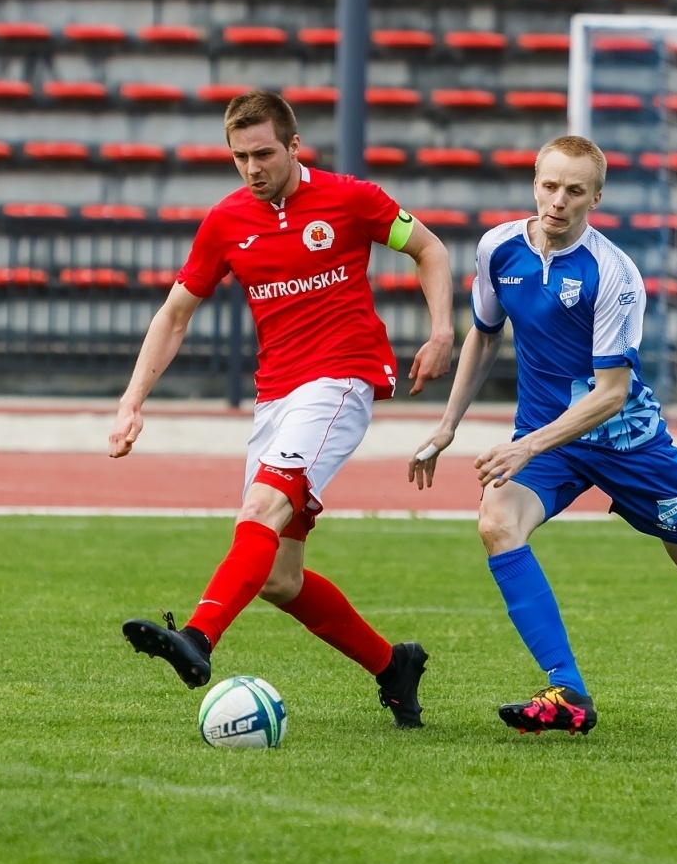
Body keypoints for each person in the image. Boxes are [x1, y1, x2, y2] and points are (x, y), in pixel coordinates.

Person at [409, 134, 677, 735]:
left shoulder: (614, 273)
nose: (558, 200)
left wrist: (527, 443)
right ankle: (569, 691)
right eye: (549, 185)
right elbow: (484, 331)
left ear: (596, 197)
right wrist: (447, 425)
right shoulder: (498, 249)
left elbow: (610, 394)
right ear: (534, 182)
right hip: (549, 441)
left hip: (627, 443)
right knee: (496, 523)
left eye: (574, 191)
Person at [111, 90, 456, 728]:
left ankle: (198, 637)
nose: (251, 166)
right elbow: (175, 314)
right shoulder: (225, 220)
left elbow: (429, 249)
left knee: (260, 507)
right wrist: (133, 402)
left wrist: (440, 331)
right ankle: (393, 665)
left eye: (263, 152)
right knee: (278, 577)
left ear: (295, 146)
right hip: (277, 395)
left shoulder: (351, 198)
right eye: (239, 155)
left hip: (341, 381)